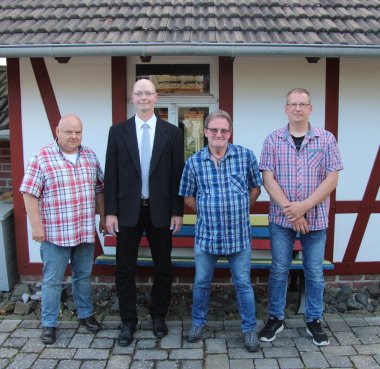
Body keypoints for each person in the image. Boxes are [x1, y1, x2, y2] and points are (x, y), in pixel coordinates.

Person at [259, 88, 343, 346]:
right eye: (293, 104)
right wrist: (291, 210)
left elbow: (332, 178)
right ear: (286, 109)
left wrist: (304, 206)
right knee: (279, 270)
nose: (297, 108)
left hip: (316, 219)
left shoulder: (326, 139)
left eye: (302, 104)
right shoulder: (272, 140)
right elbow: (267, 177)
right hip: (281, 219)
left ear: (310, 108)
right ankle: (275, 318)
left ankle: (314, 320)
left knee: (315, 272)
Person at [104, 79, 184, 347]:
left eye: (148, 93)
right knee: (124, 269)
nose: (143, 98)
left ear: (156, 97)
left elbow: (177, 177)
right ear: (132, 97)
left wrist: (177, 211)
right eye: (139, 93)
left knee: (164, 267)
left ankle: (158, 316)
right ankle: (128, 321)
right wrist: (110, 212)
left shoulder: (172, 133)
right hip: (127, 211)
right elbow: (111, 175)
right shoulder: (118, 132)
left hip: (160, 210)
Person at [179, 110, 262, 352]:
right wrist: (207, 210)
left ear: (229, 133)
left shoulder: (245, 156)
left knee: (243, 284)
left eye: (224, 130)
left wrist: (241, 207)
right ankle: (197, 323)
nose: (219, 134)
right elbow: (187, 196)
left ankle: (249, 330)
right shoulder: (194, 162)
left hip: (239, 235)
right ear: (205, 132)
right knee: (202, 283)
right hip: (207, 235)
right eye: (214, 130)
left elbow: (256, 187)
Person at [19, 114, 105, 345]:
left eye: (78, 132)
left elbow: (99, 189)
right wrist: (36, 227)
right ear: (57, 131)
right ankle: (49, 324)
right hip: (55, 233)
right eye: (69, 132)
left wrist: (103, 218)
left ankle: (85, 315)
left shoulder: (89, 156)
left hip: (84, 230)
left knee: (83, 277)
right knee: (52, 280)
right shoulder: (42, 157)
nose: (74, 136)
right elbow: (29, 193)